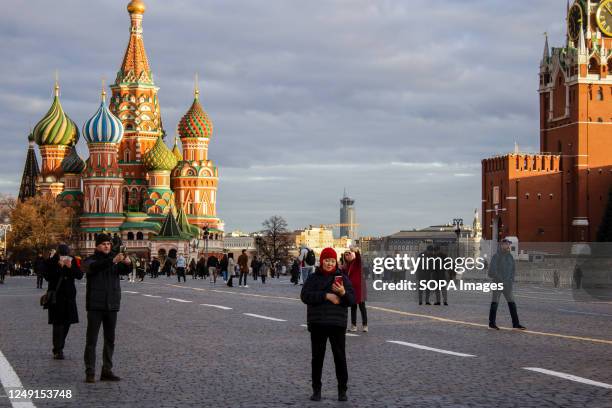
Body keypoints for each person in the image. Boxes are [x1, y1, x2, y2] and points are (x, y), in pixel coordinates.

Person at [301, 247, 355, 402]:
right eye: (327, 260)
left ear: (336, 262)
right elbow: (305, 296)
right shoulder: (313, 278)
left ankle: (342, 390)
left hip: (337, 324)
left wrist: (343, 293)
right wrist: (326, 296)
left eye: (332, 260)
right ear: (322, 261)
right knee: (317, 359)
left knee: (340, 358)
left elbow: (352, 300)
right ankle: (316, 390)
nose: (330, 263)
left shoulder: (342, 278)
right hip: (318, 324)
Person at [83, 233, 131, 383]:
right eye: (103, 244)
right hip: (95, 305)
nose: (106, 246)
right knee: (92, 340)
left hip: (112, 304)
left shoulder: (114, 260)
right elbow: (94, 268)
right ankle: (90, 371)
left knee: (110, 339)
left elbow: (125, 270)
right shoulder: (90, 260)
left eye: (108, 244)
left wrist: (129, 263)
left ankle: (107, 370)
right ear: (97, 246)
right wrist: (112, 260)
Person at [44, 244, 83, 359]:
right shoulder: (51, 261)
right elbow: (47, 276)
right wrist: (58, 267)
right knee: (58, 323)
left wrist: (70, 266)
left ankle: (60, 344)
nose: (64, 256)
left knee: (67, 322)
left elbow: (80, 275)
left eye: (66, 254)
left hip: (69, 296)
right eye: (62, 254)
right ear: (58, 253)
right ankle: (58, 349)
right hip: (56, 296)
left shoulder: (73, 260)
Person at [487, 238, 525, 330]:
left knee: (512, 303)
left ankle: (516, 324)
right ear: (502, 245)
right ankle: (492, 323)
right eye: (507, 244)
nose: (508, 246)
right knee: (495, 303)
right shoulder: (496, 256)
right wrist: (501, 279)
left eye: (509, 244)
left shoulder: (510, 257)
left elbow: (513, 270)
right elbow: (492, 271)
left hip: (508, 284)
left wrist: (511, 280)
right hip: (498, 284)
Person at [342, 248, 368, 333]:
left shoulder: (356, 262)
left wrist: (356, 251)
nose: (348, 255)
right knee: (353, 307)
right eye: (346, 254)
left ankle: (365, 325)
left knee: (362, 306)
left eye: (349, 254)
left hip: (359, 288)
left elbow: (358, 258)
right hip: (351, 289)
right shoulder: (345, 266)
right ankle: (354, 326)